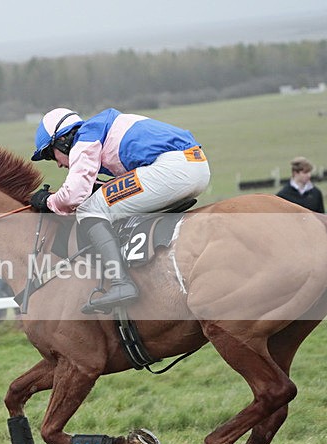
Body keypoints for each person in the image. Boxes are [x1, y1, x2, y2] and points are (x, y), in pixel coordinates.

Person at [29, 107, 210, 312]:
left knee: (89, 210)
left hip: (175, 169)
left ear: (62, 140)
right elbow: (105, 186)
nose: (59, 165)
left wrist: (48, 201)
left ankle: (121, 283)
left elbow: (74, 196)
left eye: (52, 157)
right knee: (104, 202)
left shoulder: (85, 139)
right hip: (194, 164)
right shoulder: (99, 130)